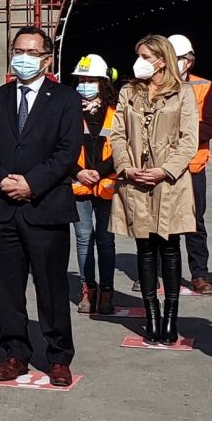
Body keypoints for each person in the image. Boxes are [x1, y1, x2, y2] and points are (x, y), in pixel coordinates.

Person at [0, 26, 83, 387]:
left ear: (47, 58)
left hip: (46, 206)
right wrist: (1, 180)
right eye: (19, 50)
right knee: (9, 285)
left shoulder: (66, 99)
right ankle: (14, 353)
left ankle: (58, 356)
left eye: (33, 53)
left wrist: (32, 184)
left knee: (52, 287)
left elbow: (67, 151)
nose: (24, 58)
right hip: (4, 205)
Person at [110, 35, 198, 346]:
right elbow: (117, 134)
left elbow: (190, 140)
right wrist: (125, 166)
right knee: (144, 249)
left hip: (169, 181)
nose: (140, 61)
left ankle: (171, 317)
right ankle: (150, 314)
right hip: (135, 178)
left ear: (162, 59)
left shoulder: (184, 93)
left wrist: (165, 170)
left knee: (170, 247)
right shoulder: (128, 92)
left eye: (146, 55)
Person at [168, 34, 212, 296]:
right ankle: (167, 273)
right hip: (163, 167)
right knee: (163, 222)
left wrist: (174, 132)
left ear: (189, 61)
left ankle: (200, 274)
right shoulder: (152, 85)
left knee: (195, 222)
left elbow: (209, 126)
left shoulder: (203, 87)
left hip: (193, 165)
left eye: (177, 58)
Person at [69, 54, 118, 315]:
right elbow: (61, 148)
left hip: (107, 185)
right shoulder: (68, 110)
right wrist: (79, 172)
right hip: (79, 185)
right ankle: (87, 288)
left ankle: (107, 291)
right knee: (83, 238)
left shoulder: (116, 110)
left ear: (102, 82)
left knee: (106, 240)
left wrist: (98, 172)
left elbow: (122, 148)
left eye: (90, 79)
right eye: (81, 79)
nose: (84, 84)